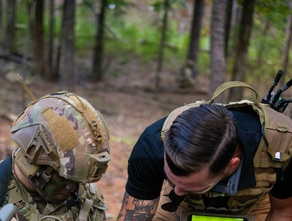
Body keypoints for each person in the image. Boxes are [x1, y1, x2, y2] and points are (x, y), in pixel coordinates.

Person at [117, 83, 292, 221]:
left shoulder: (283, 148)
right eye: (172, 180)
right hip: (180, 206)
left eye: (190, 186)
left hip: (254, 205)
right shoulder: (152, 146)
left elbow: (283, 212)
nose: (176, 190)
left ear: (232, 165)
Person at [0, 91, 110, 221]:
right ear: (33, 160)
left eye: (79, 181)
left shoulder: (86, 198)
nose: (74, 188)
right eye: (65, 178)